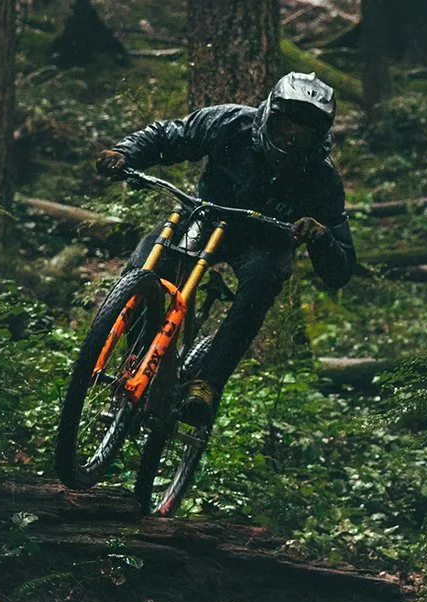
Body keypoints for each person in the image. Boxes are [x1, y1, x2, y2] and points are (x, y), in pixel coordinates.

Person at [95, 72, 357, 426]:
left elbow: (341, 269)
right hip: (205, 218)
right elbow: (172, 135)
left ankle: (207, 383)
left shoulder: (323, 179)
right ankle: (138, 362)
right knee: (145, 268)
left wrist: (321, 236)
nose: (291, 139)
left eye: (304, 133)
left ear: (319, 137)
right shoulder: (230, 123)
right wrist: (125, 152)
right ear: (270, 114)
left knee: (262, 284)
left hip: (264, 243)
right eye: (285, 126)